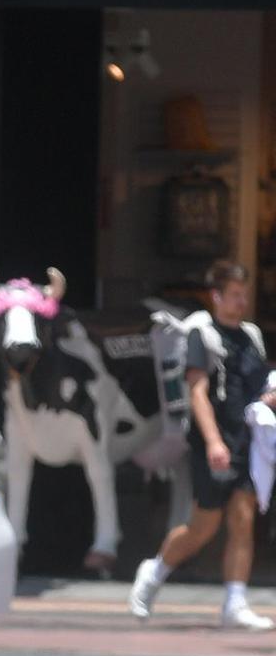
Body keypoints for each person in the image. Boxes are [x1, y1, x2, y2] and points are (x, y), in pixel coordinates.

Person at [130, 260, 276, 630]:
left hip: (248, 439)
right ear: (217, 296)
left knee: (243, 518)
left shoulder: (251, 336)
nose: (242, 302)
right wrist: (213, 441)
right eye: (235, 295)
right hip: (215, 440)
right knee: (204, 526)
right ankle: (154, 571)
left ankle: (235, 602)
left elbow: (258, 383)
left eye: (245, 295)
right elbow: (197, 391)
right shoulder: (202, 333)